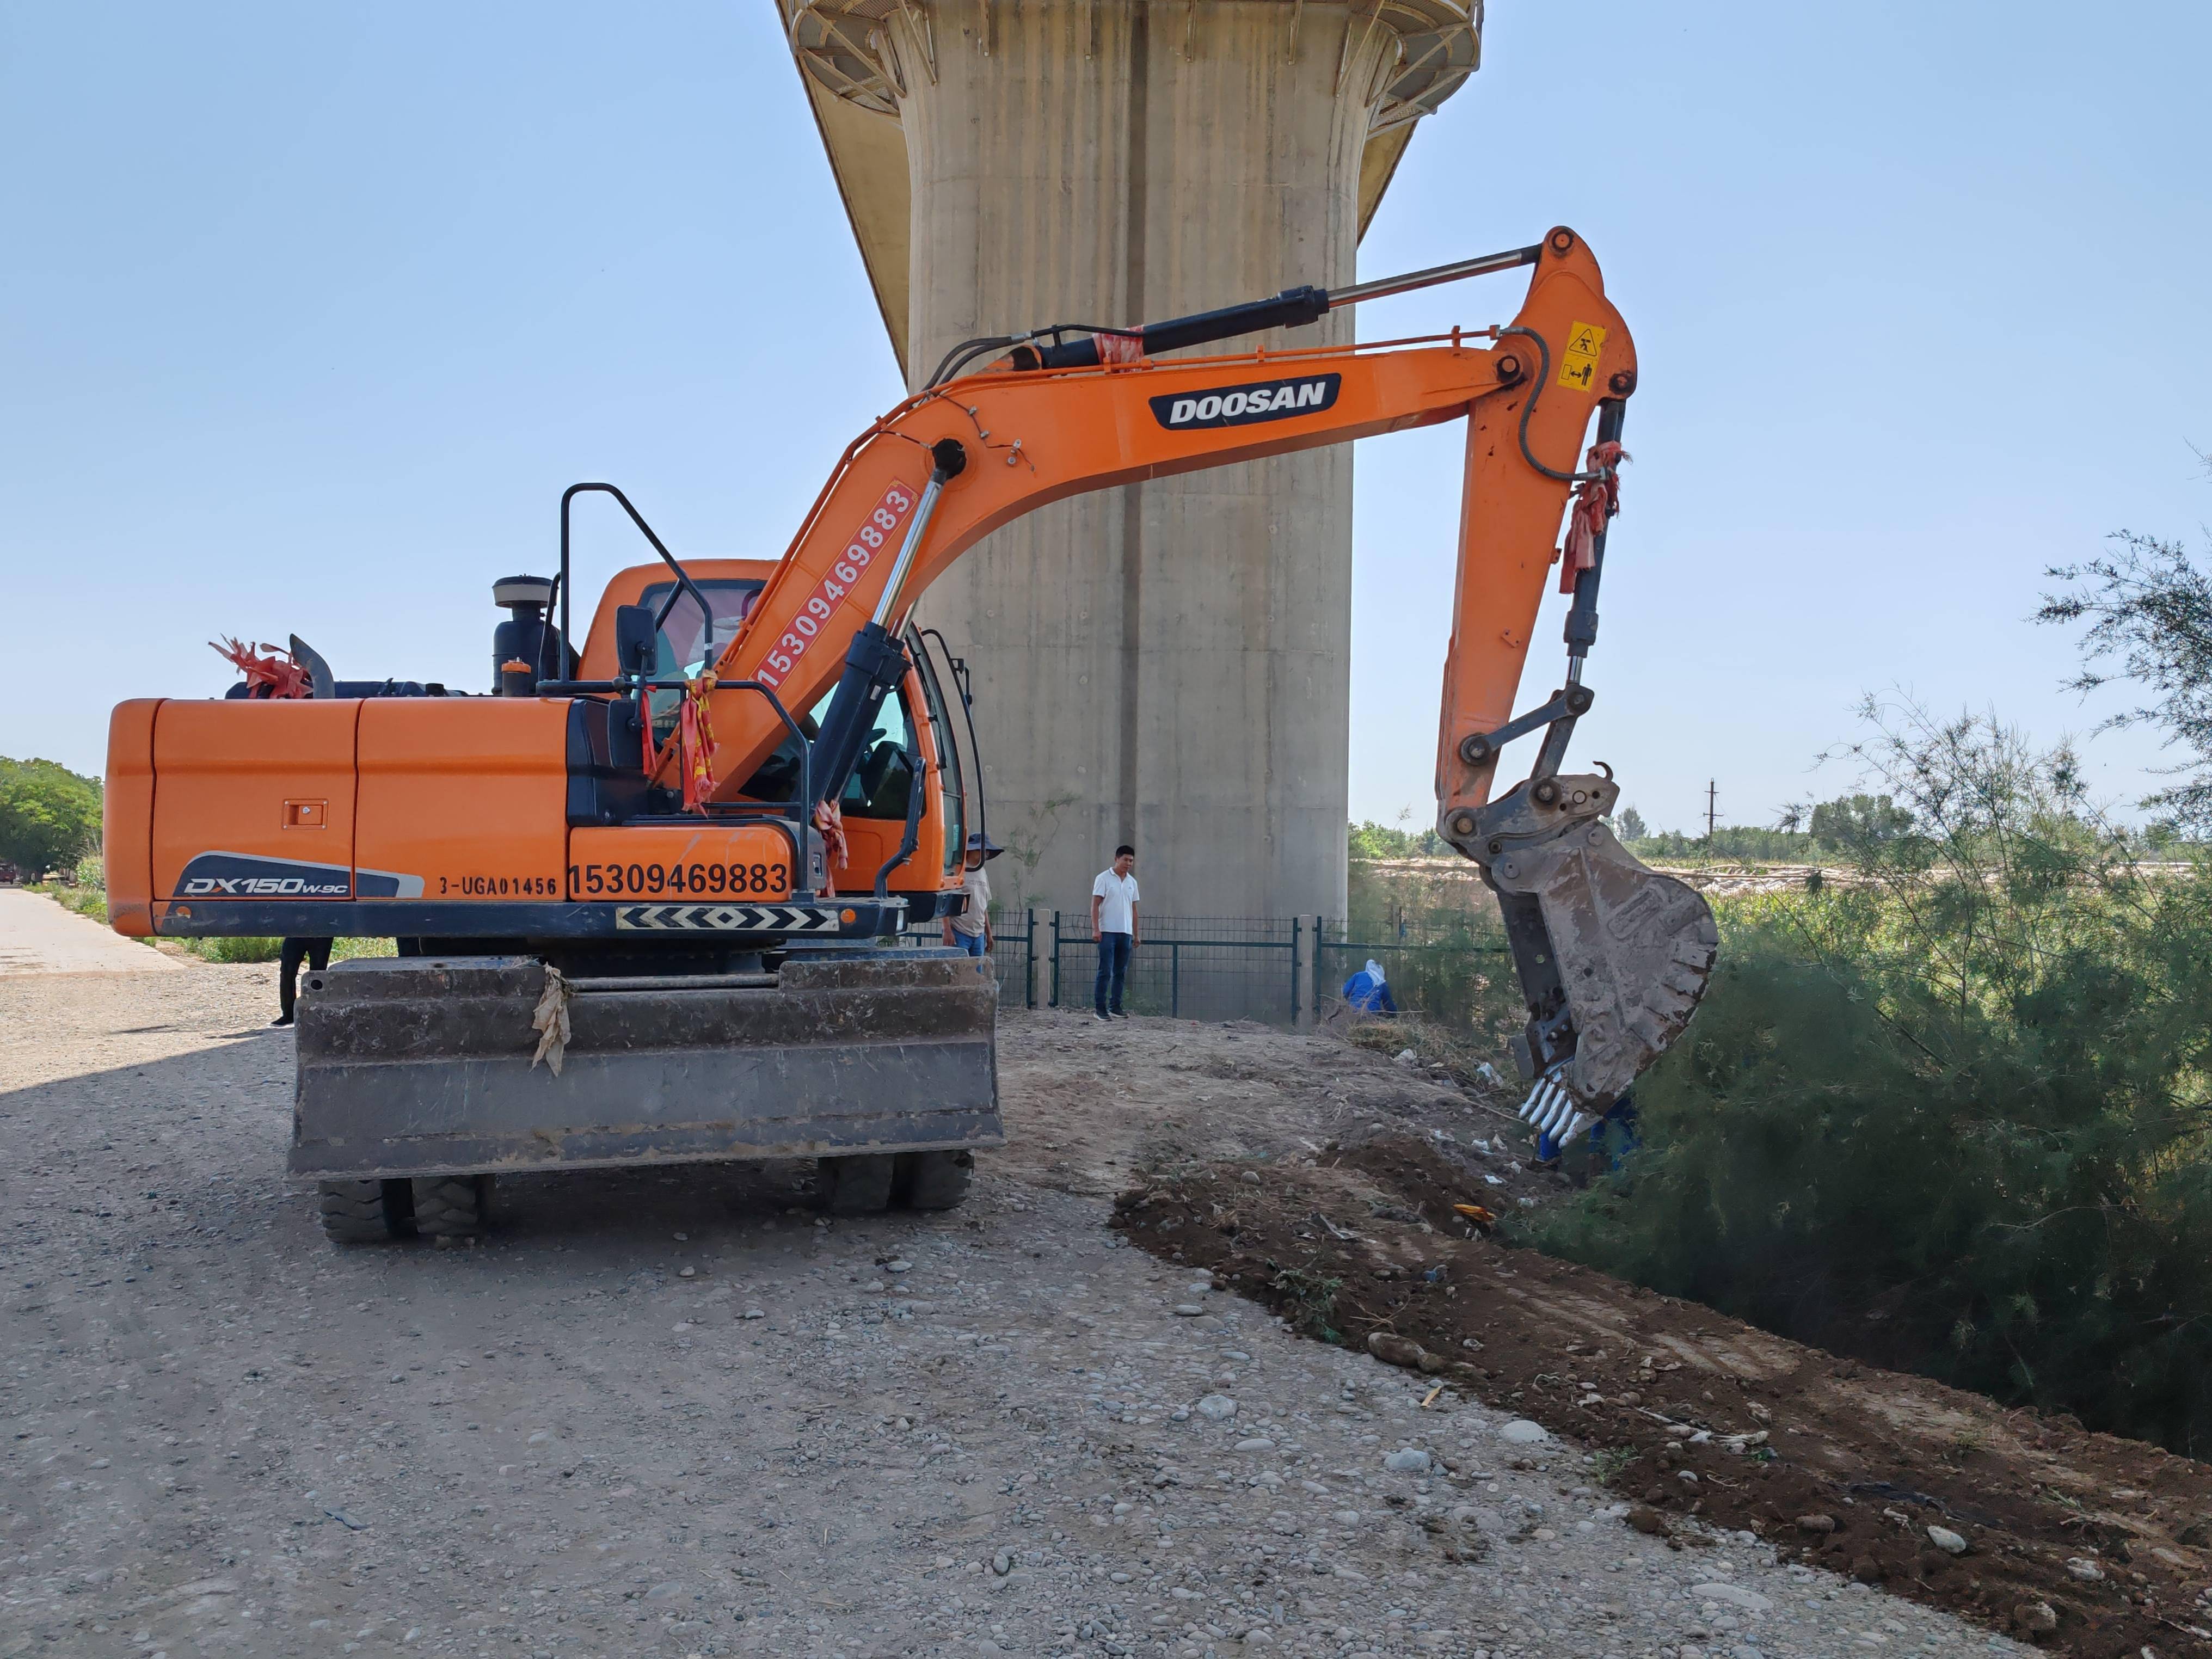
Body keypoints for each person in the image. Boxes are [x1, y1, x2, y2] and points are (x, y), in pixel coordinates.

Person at [1090, 844, 1140, 1022]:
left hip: (1125, 933)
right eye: (1125, 860)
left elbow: (1134, 909)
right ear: (1116, 859)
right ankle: (1100, 1008)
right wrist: (1096, 928)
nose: (1128, 863)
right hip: (1107, 931)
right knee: (1105, 970)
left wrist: (1136, 934)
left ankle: (1115, 1006)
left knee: (1121, 971)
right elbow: (1095, 904)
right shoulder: (1103, 878)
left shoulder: (1132, 883)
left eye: (1131, 861)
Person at [943, 831, 1003, 967]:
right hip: (959, 931)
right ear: (971, 851)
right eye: (982, 850)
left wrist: (988, 932)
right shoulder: (957, 870)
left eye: (987, 850)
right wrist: (947, 930)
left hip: (979, 935)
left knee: (976, 975)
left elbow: (983, 905)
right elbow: (945, 900)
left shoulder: (982, 872)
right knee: (958, 972)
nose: (986, 854)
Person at [273, 936, 333, 1027]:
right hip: (295, 932)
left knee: (318, 975)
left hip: (322, 934)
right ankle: (289, 1015)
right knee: (287, 972)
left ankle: (316, 1013)